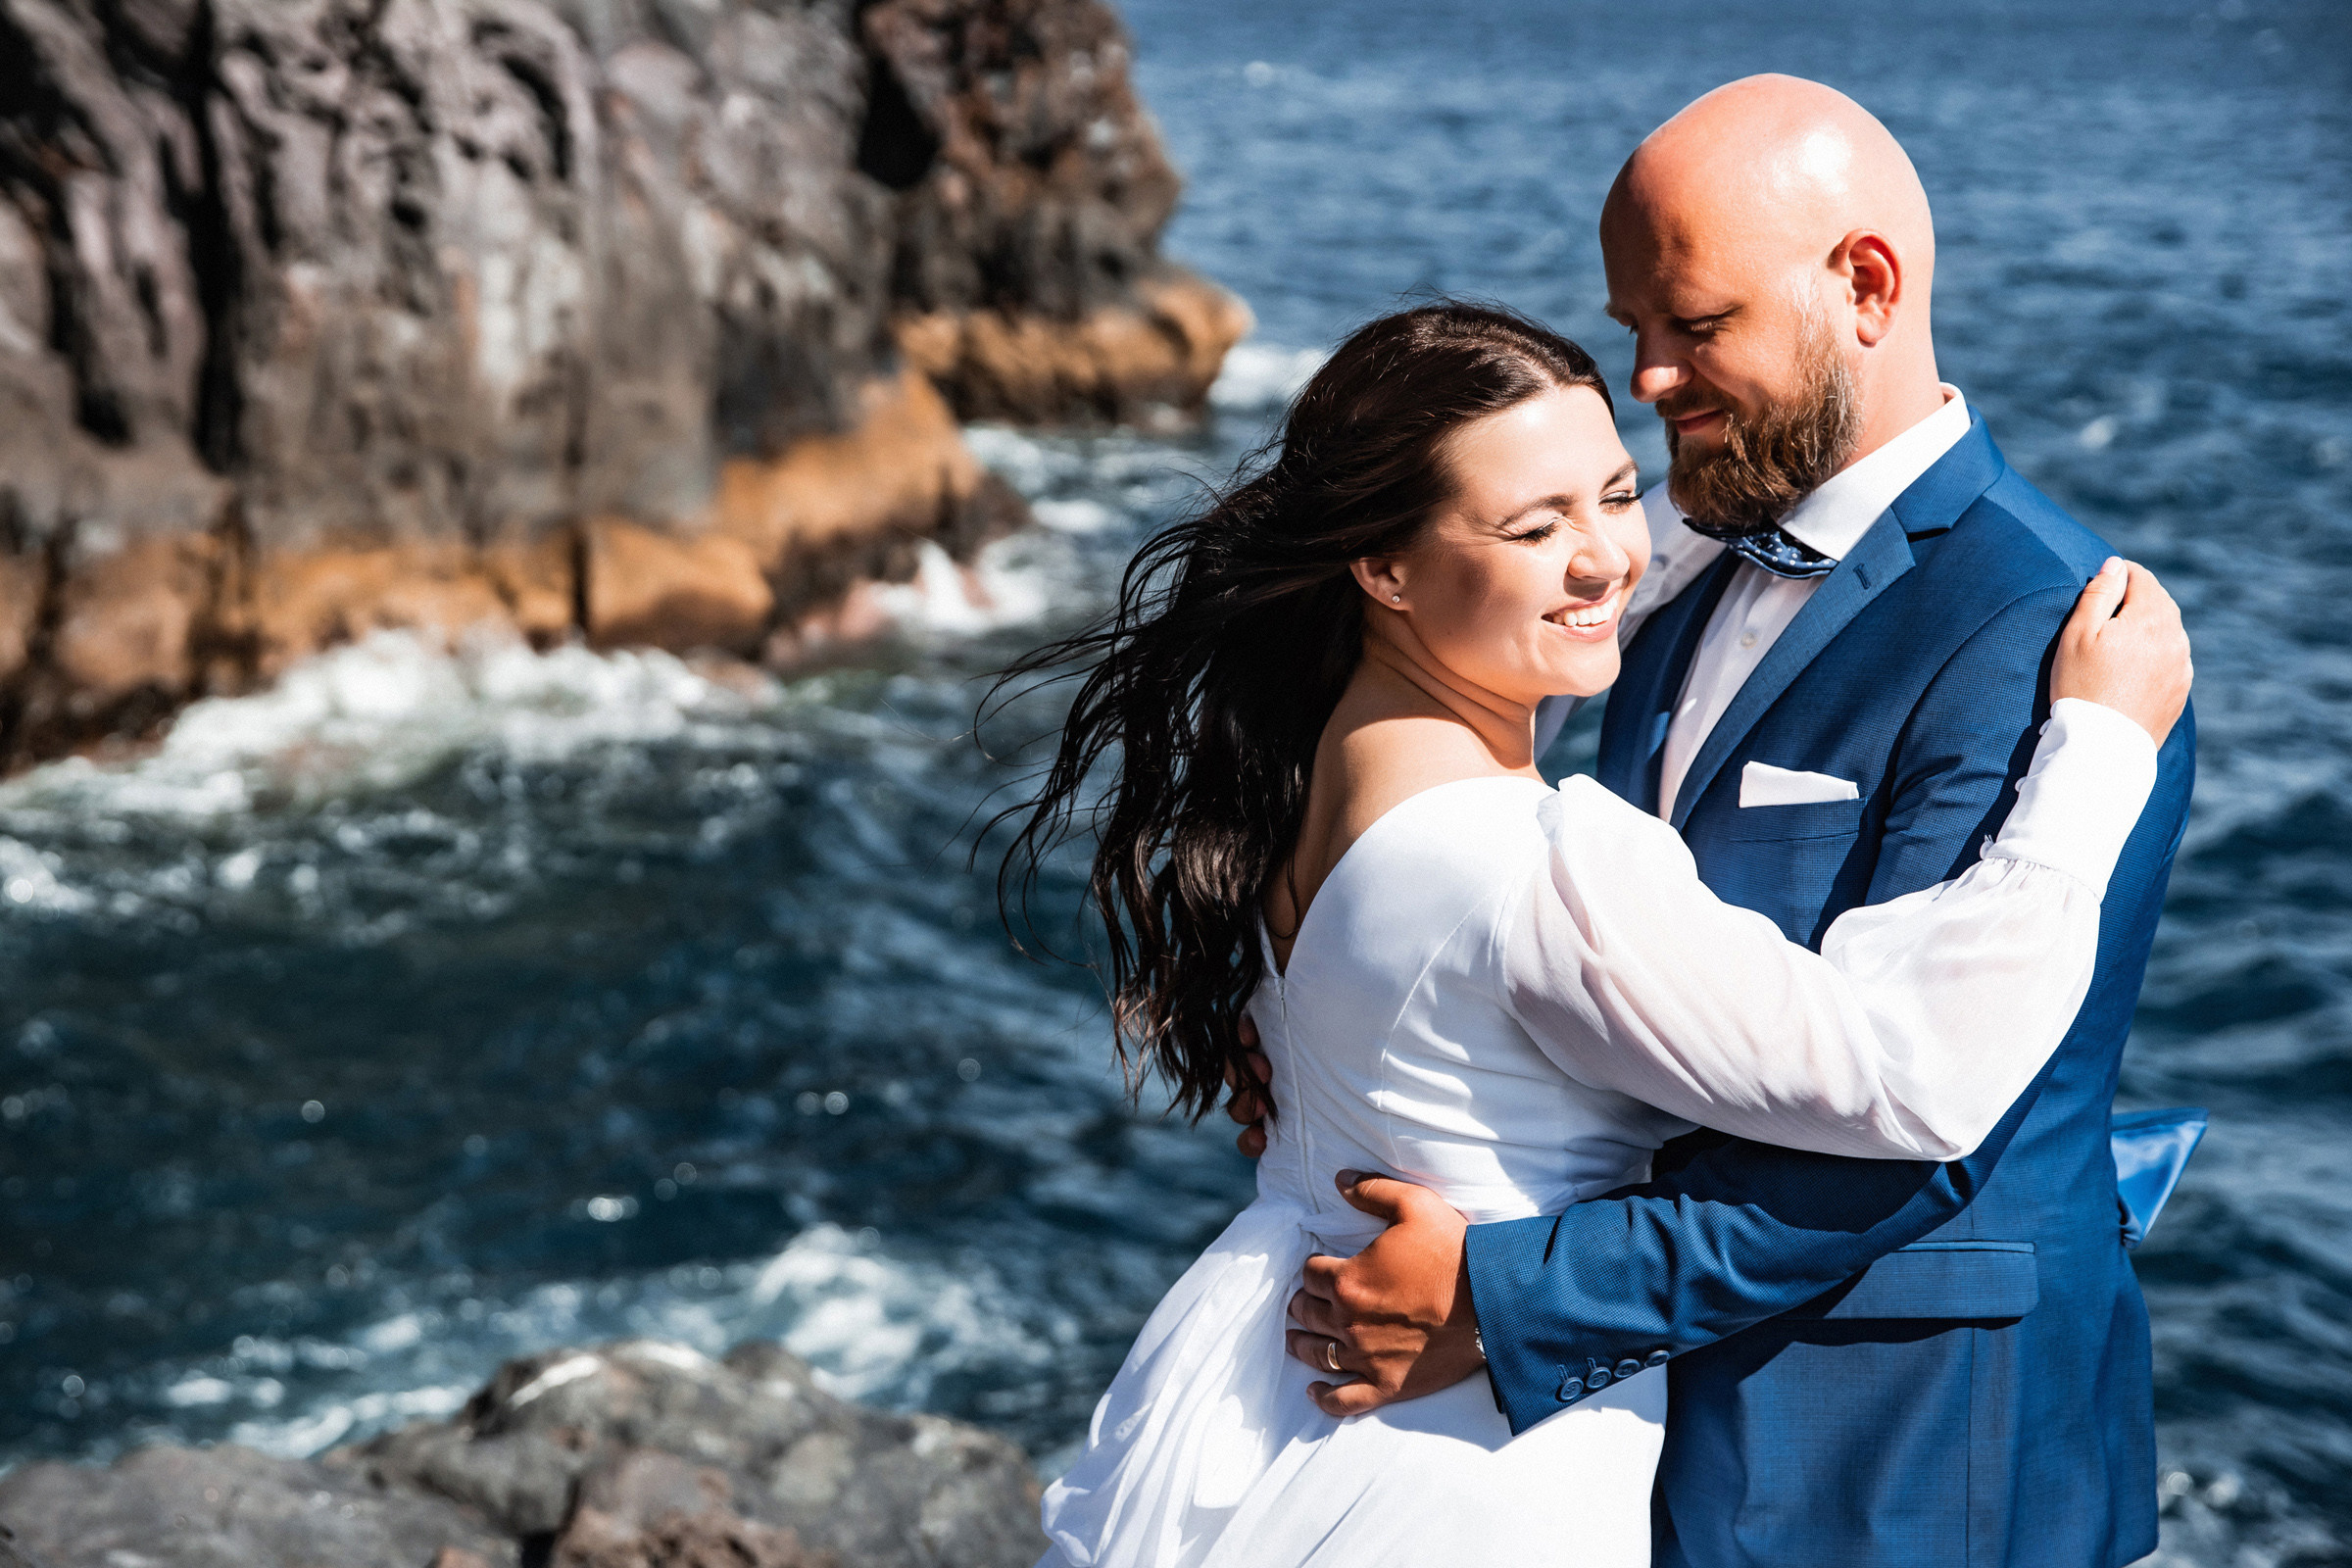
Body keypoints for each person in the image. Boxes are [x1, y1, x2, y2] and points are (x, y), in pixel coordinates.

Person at [996, 296, 2190, 1565]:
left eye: (1619, 494)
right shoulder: (1527, 864)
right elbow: (1910, 1071)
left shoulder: (1325, 769)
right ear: (1384, 568)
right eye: (1535, 523)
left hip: (1269, 1378)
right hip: (1467, 1470)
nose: (1612, 557)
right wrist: (2100, 751)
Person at [1244, 77, 2197, 1568]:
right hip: (1643, 1422)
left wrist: (1505, 1299)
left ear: (1863, 286)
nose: (1652, 378)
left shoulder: (2047, 639)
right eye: (1634, 330)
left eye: (1695, 328)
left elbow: (1928, 1126)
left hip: (1903, 1443)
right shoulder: (1666, 566)